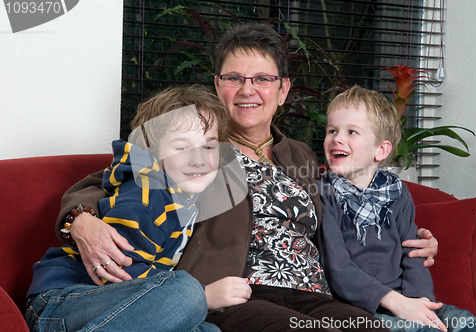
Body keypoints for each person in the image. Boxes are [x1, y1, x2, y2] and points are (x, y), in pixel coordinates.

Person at [52, 23, 438, 331]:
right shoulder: (196, 146)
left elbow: (352, 213)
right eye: (234, 78)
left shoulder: (300, 155)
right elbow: (110, 179)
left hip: (312, 293)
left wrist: (415, 242)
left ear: (283, 89)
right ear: (218, 85)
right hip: (237, 294)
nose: (247, 89)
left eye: (262, 79)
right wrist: (80, 221)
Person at [25, 85, 252, 332]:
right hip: (64, 302)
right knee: (186, 293)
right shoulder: (145, 195)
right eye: (182, 147)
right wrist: (204, 296)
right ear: (152, 153)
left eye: (208, 146)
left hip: (112, 310)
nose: (198, 159)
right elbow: (117, 270)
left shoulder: (186, 195)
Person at [317, 85, 476, 332]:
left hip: (405, 300)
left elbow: (413, 254)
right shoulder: (323, 194)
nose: (337, 138)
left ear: (381, 150)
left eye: (351, 132)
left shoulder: (397, 193)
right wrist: (398, 305)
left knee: (465, 322)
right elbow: (337, 268)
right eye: (332, 130)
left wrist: (421, 303)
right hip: (357, 308)